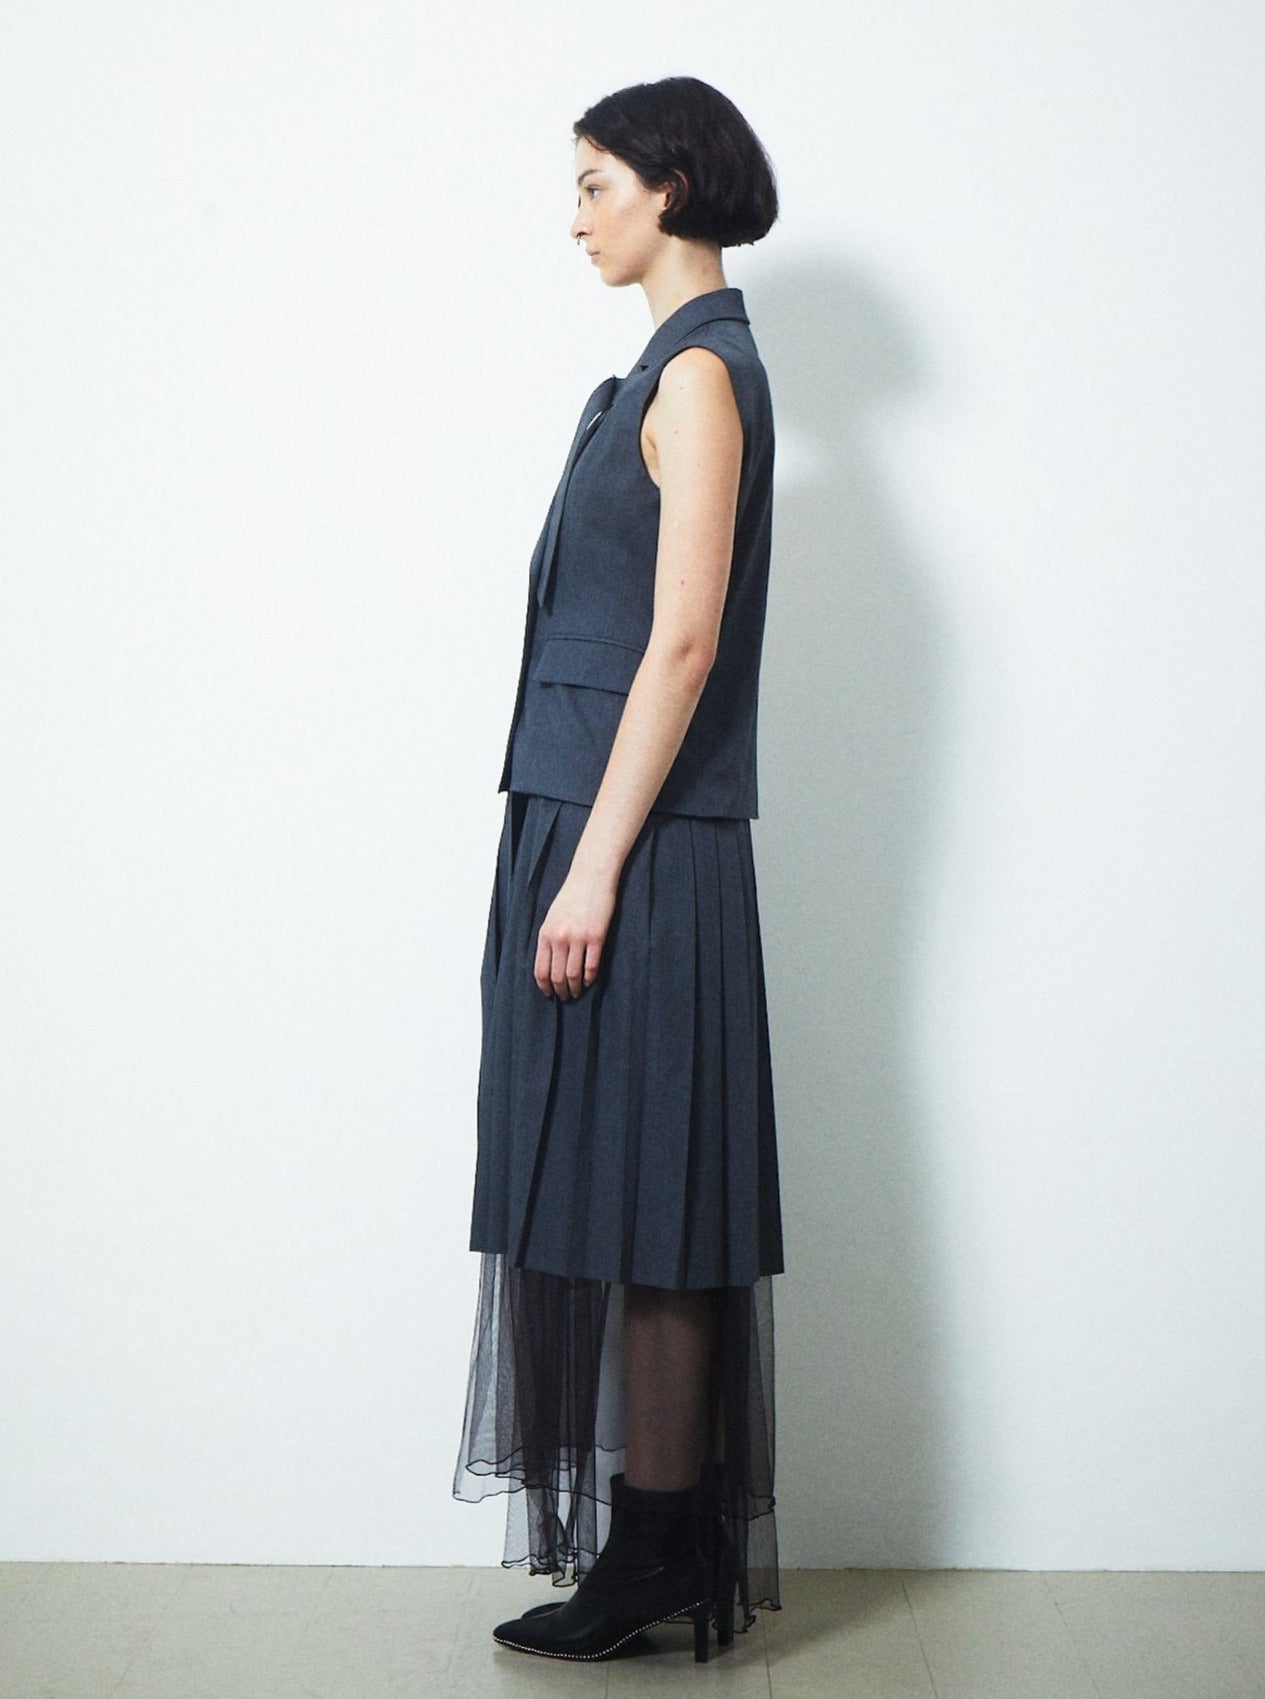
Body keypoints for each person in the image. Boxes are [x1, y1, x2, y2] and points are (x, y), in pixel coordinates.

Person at [451, 75, 786, 1664]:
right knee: (615, 1183)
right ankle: (651, 1548)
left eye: (594, 183)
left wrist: (588, 873)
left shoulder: (701, 378)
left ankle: (657, 1550)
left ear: (669, 187)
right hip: (597, 823)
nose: (574, 214)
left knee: (655, 1193)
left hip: (632, 842)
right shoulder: (664, 373)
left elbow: (684, 644)